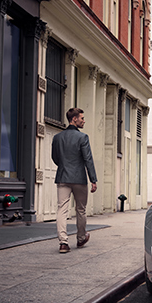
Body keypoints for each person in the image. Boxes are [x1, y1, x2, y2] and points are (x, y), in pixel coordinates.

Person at [52, 108, 98, 253]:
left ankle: (63, 243)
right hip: (79, 178)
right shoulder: (82, 137)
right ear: (74, 119)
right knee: (81, 210)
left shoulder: (57, 137)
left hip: (63, 177)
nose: (84, 121)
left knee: (62, 210)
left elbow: (55, 158)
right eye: (82, 118)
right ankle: (80, 238)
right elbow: (88, 159)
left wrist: (64, 166)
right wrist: (93, 180)